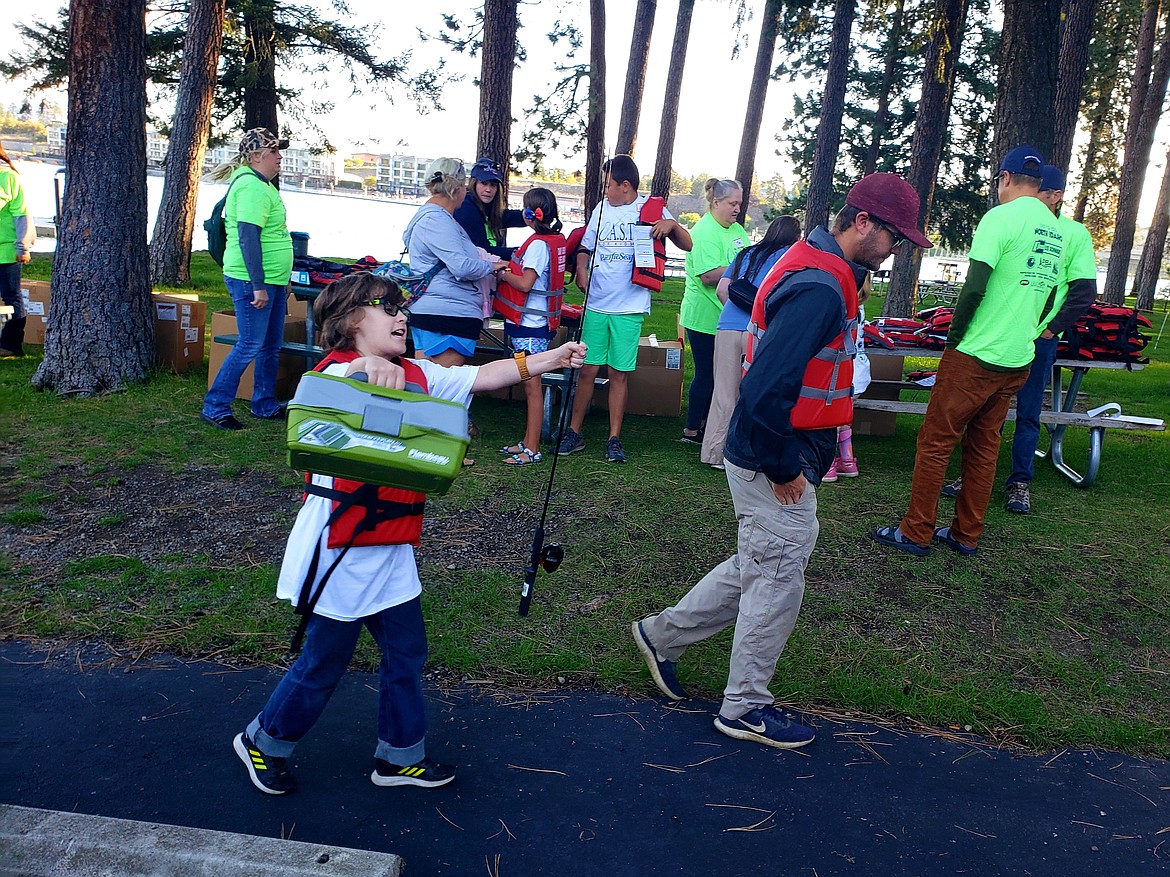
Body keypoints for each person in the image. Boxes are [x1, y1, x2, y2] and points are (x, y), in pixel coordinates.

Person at [233, 272, 586, 795]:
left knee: (406, 653)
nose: (402, 317)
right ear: (351, 320)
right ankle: (264, 741)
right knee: (323, 663)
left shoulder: (416, 373)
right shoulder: (336, 377)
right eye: (387, 308)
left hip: (392, 546)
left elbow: (483, 377)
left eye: (403, 309)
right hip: (339, 547)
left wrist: (549, 360)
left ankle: (399, 758)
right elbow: (334, 385)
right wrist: (365, 364)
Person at [632, 173, 931, 749]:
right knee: (777, 576)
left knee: (760, 562)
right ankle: (744, 706)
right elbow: (767, 388)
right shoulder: (820, 287)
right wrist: (784, 467)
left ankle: (661, 635)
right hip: (774, 458)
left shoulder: (817, 262)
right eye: (895, 237)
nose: (898, 250)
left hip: (769, 452)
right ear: (862, 223)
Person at [872, 146, 1064, 557]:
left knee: (936, 441)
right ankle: (965, 534)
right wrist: (1031, 330)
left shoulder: (1000, 218)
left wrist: (955, 338)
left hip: (976, 353)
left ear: (1006, 179)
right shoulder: (1055, 230)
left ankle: (916, 530)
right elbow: (1052, 297)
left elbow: (975, 285)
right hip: (1017, 356)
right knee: (985, 445)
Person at [943, 166, 1098, 514]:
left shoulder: (1071, 233)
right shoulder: (1017, 221)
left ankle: (1019, 482)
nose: (1033, 202)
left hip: (1035, 339)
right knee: (981, 412)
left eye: (1042, 195)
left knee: (1028, 411)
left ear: (1056, 196)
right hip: (994, 337)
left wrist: (1049, 328)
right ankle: (971, 478)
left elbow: (1084, 290)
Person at [556, 154, 692, 463]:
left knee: (619, 375)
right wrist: (580, 267)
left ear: (625, 186)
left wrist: (671, 224)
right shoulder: (601, 209)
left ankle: (614, 438)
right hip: (597, 305)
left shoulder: (649, 209)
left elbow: (687, 245)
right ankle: (575, 432)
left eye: (608, 185)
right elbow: (585, 246)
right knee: (587, 369)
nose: (605, 191)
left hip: (629, 308)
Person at [201, 128, 293, 430]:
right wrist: (258, 285)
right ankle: (215, 406)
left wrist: (281, 278)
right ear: (256, 157)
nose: (279, 157)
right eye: (273, 152)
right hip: (251, 280)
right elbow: (248, 238)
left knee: (270, 345)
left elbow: (271, 235)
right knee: (250, 344)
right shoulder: (252, 187)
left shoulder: (261, 185)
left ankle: (264, 404)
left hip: (272, 281)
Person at [699, 215, 801, 468]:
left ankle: (713, 454)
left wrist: (733, 313)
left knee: (724, 393)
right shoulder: (789, 256)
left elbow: (723, 289)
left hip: (727, 327)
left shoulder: (745, 254)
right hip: (759, 330)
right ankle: (744, 453)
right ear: (795, 236)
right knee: (755, 394)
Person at [402, 157, 506, 368]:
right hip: (447, 316)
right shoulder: (437, 221)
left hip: (438, 311)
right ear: (457, 188)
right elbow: (461, 266)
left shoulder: (431, 217)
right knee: (442, 389)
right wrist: (492, 266)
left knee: (428, 384)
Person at [494, 187, 567, 466]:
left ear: (529, 214)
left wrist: (502, 272)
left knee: (532, 387)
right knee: (530, 385)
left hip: (530, 329)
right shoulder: (552, 240)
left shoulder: (537, 245)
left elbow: (525, 283)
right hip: (534, 326)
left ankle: (533, 449)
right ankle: (527, 441)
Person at [679, 179, 748, 445]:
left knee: (725, 375)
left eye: (739, 204)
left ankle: (711, 423)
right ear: (716, 202)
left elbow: (744, 258)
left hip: (728, 314)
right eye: (732, 203)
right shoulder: (704, 231)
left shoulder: (737, 230)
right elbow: (708, 275)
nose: (737, 209)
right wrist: (741, 271)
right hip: (704, 315)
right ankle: (692, 429)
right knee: (707, 373)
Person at [821, 274, 873, 482]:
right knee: (843, 417)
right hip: (860, 372)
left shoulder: (843, 307)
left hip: (844, 372)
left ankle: (828, 463)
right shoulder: (860, 308)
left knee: (830, 420)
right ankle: (847, 460)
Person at [452, 156, 525, 260]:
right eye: (484, 183)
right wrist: (520, 252)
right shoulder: (466, 208)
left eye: (493, 185)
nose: (488, 189)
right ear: (474, 183)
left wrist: (531, 215)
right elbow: (482, 250)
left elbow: (506, 217)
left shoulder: (486, 206)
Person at [0, 144, 35, 358]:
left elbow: (21, 214)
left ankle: (11, 344)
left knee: (11, 297)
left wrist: (23, 246)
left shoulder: (7, 176)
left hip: (6, 250)